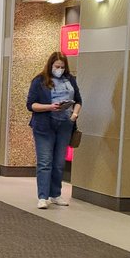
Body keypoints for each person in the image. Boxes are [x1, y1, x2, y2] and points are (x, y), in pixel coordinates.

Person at [26, 51, 83, 209]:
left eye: (63, 67)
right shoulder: (39, 81)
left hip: (65, 124)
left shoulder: (70, 79)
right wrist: (50, 107)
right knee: (45, 162)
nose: (60, 69)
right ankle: (43, 196)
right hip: (44, 125)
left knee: (59, 162)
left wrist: (75, 113)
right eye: (57, 66)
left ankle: (55, 194)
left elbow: (78, 100)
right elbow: (31, 105)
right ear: (50, 65)